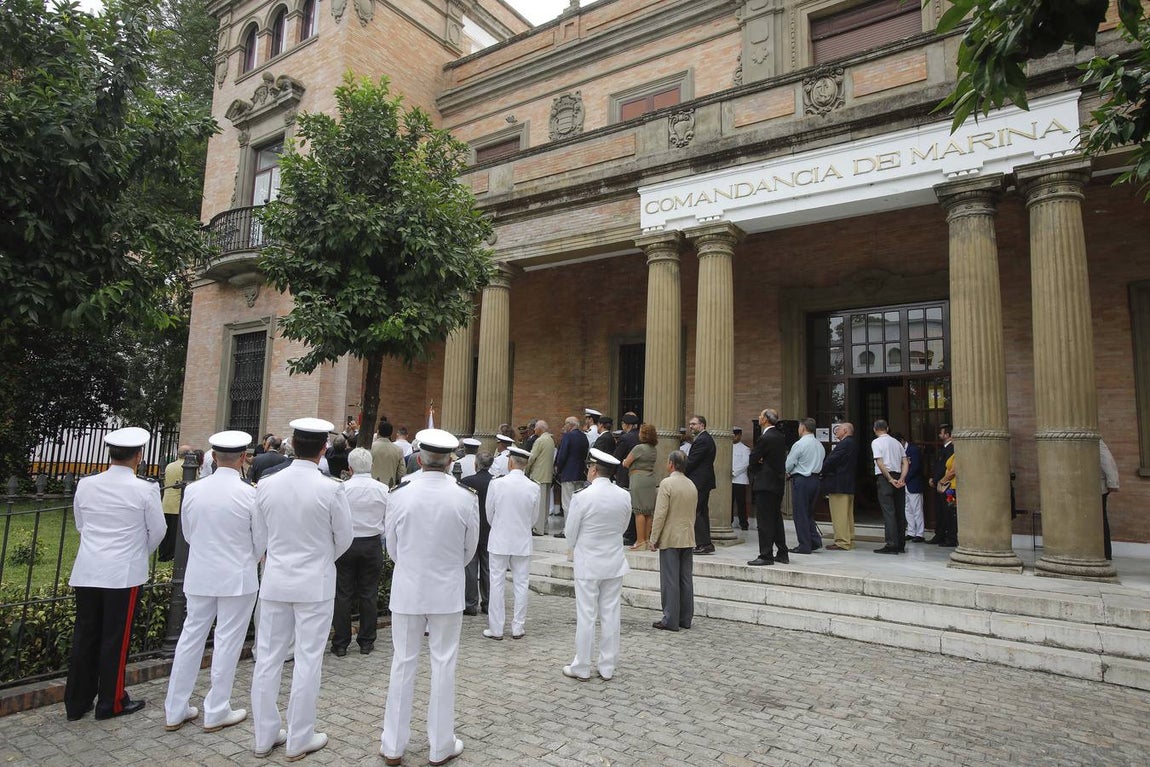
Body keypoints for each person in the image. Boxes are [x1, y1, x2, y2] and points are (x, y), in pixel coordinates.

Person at [251, 418, 353, 760]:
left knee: (268, 657)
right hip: (314, 582)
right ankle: (299, 736)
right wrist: (321, 559)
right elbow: (345, 538)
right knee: (308, 659)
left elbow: (259, 537)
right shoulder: (330, 488)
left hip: (277, 577)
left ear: (292, 444)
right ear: (323, 448)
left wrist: (278, 558)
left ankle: (264, 735)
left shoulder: (266, 485)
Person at [381, 429, 479, 767]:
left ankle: (393, 744)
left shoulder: (399, 494)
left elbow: (391, 547)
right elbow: (469, 551)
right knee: (443, 665)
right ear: (451, 460)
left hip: (408, 586)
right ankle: (440, 745)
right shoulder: (465, 497)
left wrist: (412, 566)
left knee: (403, 662)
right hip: (446, 590)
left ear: (420, 458)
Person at [64, 426, 165, 722]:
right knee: (115, 639)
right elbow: (158, 531)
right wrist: (136, 552)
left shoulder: (87, 484)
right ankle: (111, 701)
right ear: (139, 456)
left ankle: (76, 702)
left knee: (85, 634)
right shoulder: (145, 489)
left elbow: (80, 523)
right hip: (122, 574)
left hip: (88, 569)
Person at [164, 430, 259, 734]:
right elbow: (260, 541)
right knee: (227, 641)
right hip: (237, 576)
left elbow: (188, 533)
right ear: (244, 458)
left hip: (201, 573)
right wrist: (247, 558)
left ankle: (175, 708)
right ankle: (216, 708)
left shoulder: (193, 490)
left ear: (214, 458)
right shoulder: (250, 493)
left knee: (190, 638)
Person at [562, 449, 631, 681]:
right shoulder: (623, 495)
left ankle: (582, 665)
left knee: (586, 615)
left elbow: (570, 533)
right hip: (612, 561)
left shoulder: (582, 496)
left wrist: (577, 547)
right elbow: (623, 526)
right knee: (611, 614)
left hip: (588, 563)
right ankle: (607, 665)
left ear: (593, 470)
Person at [331, 447, 388, 657]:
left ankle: (341, 642)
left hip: (346, 544)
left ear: (350, 468)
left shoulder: (341, 488)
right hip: (372, 544)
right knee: (369, 593)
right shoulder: (382, 489)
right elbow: (387, 521)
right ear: (371, 466)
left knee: (343, 594)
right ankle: (366, 641)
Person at [483, 446, 536, 639]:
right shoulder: (533, 486)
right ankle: (518, 627)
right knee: (521, 584)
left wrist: (499, 526)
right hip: (521, 539)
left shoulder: (497, 484)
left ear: (510, 462)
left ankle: (496, 628)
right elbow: (534, 518)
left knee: (496, 582)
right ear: (525, 464)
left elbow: (489, 513)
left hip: (500, 538)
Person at [649, 450, 697, 631]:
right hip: (687, 535)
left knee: (670, 580)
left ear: (671, 464)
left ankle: (670, 618)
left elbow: (660, 513)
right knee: (685, 579)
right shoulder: (691, 484)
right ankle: (686, 617)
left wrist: (654, 538)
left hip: (670, 536)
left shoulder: (667, 483)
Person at [747, 409, 789, 565]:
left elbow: (753, 458)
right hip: (777, 483)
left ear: (765, 419)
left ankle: (766, 555)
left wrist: (759, 463)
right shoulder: (780, 436)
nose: (758, 417)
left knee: (764, 521)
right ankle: (782, 552)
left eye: (760, 415)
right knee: (776, 519)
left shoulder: (766, 437)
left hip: (765, 483)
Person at [785, 418, 825, 555]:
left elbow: (789, 464)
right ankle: (814, 540)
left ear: (802, 428)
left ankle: (804, 544)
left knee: (800, 513)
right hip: (815, 479)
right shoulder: (819, 444)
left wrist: (788, 472)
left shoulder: (799, 444)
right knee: (808, 512)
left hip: (802, 480)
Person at [462, 451, 494, 616]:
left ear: (476, 464)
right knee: (488, 568)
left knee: (470, 568)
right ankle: (488, 603)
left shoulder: (467, 482)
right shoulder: (496, 482)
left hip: (472, 529)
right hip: (490, 530)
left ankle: (470, 603)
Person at [872, 419, 908, 555]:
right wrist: (902, 478)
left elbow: (880, 462)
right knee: (899, 511)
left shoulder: (876, 442)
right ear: (887, 428)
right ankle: (901, 543)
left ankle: (891, 544)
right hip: (898, 476)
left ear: (875, 429)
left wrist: (890, 479)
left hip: (885, 478)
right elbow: (905, 461)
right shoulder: (897, 442)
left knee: (889, 512)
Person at [820, 422, 858, 551]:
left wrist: (822, 471)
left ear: (846, 430)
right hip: (848, 483)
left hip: (838, 483)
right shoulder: (853, 443)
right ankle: (849, 538)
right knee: (847, 514)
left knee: (839, 514)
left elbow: (832, 460)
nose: (836, 432)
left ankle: (842, 541)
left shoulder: (845, 443)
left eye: (839, 429)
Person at [621, 422, 658, 550]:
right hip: (650, 479)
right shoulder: (653, 449)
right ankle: (647, 540)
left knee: (639, 511)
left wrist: (623, 461)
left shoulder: (639, 448)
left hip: (638, 479)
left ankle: (640, 541)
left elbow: (626, 463)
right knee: (648, 511)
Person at [684, 415, 716, 555]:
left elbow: (692, 461)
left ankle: (704, 543)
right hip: (702, 480)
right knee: (701, 511)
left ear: (702, 425)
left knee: (697, 511)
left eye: (694, 424)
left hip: (700, 481)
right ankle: (704, 543)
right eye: (690, 424)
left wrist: (680, 470)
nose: (691, 426)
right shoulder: (704, 439)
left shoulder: (703, 440)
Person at [159, 443, 192, 561]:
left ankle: (163, 554)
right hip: (178, 503)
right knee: (175, 533)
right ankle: (171, 554)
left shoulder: (169, 466)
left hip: (167, 501)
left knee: (166, 532)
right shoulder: (186, 466)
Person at [613, 412, 641, 545]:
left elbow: (616, 458)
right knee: (637, 506)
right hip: (639, 476)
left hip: (625, 476)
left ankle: (629, 534)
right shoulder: (641, 437)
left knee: (626, 505)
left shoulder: (625, 438)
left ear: (627, 425)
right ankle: (636, 533)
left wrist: (611, 473)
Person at [554, 416, 589, 521]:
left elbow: (562, 455)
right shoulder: (584, 437)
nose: (565, 426)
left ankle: (568, 529)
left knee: (567, 503)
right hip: (580, 474)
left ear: (570, 425)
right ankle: (577, 526)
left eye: (566, 424)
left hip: (568, 474)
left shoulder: (568, 436)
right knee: (578, 503)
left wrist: (558, 469)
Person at [525, 420, 556, 536]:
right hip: (547, 475)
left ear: (540, 428)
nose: (534, 430)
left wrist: (526, 471)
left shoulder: (540, 440)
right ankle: (545, 527)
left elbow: (532, 458)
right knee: (546, 503)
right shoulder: (550, 439)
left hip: (538, 475)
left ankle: (538, 529)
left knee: (539, 504)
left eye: (536, 428)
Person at [927, 424, 955, 545]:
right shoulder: (945, 448)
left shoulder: (952, 450)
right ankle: (941, 535)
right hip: (942, 484)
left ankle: (950, 537)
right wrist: (934, 478)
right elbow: (939, 466)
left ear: (948, 435)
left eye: (941, 433)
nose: (939, 435)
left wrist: (940, 480)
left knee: (949, 511)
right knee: (941, 511)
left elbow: (950, 469)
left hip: (949, 486)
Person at [901, 433, 926, 543]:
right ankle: (911, 531)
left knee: (917, 509)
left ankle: (920, 533)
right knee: (907, 508)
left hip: (913, 483)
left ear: (902, 441)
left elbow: (915, 467)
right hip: (904, 484)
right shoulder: (900, 450)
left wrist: (904, 478)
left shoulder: (913, 449)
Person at [371, 420, 407, 489]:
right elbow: (401, 473)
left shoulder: (370, 448)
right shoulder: (398, 450)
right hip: (389, 487)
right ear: (391, 434)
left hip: (372, 487)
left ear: (378, 432)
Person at [1100, 438, 1120, 560]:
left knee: (1101, 521)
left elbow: (1107, 461)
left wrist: (1112, 483)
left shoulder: (1095, 440)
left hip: (1098, 489)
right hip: (1093, 489)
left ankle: (1106, 553)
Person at [731, 426, 750, 531]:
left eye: (735, 435)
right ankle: (729, 521)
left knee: (741, 502)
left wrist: (734, 472)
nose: (733, 437)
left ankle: (744, 523)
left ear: (739, 435)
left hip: (740, 479)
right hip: (729, 480)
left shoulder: (745, 448)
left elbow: (745, 463)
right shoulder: (728, 446)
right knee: (729, 502)